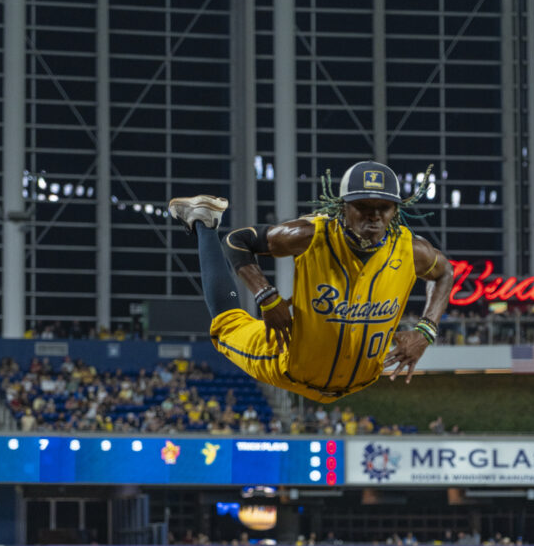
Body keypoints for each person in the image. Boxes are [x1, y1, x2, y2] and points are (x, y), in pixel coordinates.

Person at [169, 161, 453, 403]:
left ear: (395, 210)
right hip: (286, 364)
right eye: (363, 205)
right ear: (343, 207)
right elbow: (236, 241)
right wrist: (266, 296)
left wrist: (426, 331)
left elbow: (445, 273)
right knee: (226, 325)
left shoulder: (411, 250)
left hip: (361, 379)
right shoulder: (310, 235)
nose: (374, 214)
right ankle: (203, 220)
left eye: (384, 206)